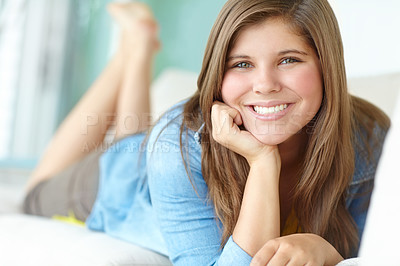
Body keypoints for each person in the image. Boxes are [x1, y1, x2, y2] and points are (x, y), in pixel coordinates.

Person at [23, 0, 390, 265]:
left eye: (289, 60)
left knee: (137, 137)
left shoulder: (368, 138)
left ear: (328, 66)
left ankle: (138, 48)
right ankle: (131, 51)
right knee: (37, 192)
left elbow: (372, 246)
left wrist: (328, 252)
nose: (264, 84)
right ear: (218, 73)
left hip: (156, 147)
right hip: (121, 181)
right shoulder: (176, 145)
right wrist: (263, 162)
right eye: (242, 64)